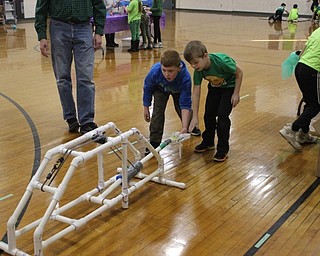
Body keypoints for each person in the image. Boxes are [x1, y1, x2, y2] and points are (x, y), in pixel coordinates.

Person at [34, 0, 106, 134]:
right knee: (62, 77)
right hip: (58, 28)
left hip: (84, 27)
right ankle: (71, 118)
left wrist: (99, 31)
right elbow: (41, 8)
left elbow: (99, 5)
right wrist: (42, 35)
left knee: (86, 77)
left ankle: (86, 121)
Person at [183, 40, 243, 162]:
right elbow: (196, 93)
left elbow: (239, 73)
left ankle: (222, 149)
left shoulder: (222, 62)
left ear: (205, 56)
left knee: (222, 116)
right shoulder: (198, 71)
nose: (194, 66)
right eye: (191, 64)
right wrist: (194, 117)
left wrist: (236, 93)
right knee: (208, 115)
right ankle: (208, 142)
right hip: (214, 88)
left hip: (229, 88)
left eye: (196, 62)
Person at [143, 50, 200, 154]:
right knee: (157, 113)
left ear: (179, 68)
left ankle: (191, 127)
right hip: (160, 89)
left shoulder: (185, 78)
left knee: (181, 109)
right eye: (164, 70)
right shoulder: (154, 72)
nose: (166, 74)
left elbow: (185, 104)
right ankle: (154, 142)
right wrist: (146, 107)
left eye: (170, 71)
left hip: (177, 90)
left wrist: (184, 127)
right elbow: (148, 88)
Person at [279, 28, 320, 150]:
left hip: (301, 67)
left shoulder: (317, 30)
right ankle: (291, 129)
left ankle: (304, 135)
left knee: (310, 102)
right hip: (314, 70)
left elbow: (303, 51)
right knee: (316, 105)